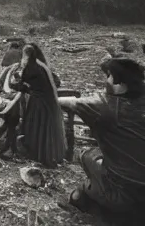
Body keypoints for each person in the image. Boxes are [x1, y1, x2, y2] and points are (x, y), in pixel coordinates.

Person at [59, 58, 145, 219]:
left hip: (126, 188)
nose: (107, 81)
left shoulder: (106, 106)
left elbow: (69, 102)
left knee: (86, 155)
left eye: (109, 76)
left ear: (120, 83)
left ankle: (91, 194)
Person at [6, 43, 66, 168]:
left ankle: (37, 154)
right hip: (47, 101)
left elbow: (23, 87)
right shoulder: (41, 66)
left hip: (38, 102)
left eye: (24, 55)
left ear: (26, 55)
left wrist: (13, 83)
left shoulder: (30, 68)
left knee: (36, 127)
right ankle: (48, 155)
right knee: (44, 128)